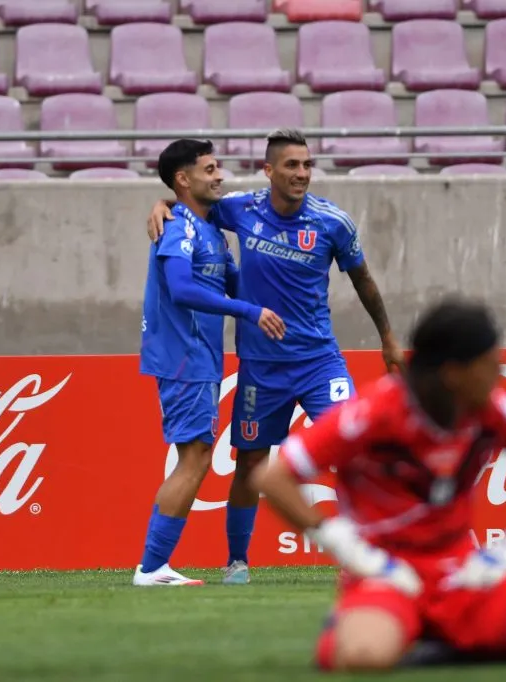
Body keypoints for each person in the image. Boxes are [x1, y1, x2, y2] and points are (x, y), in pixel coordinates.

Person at [252, 298, 506, 672]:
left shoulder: (491, 408)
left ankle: (438, 638)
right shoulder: (374, 412)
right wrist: (351, 551)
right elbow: (272, 478)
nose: (500, 371)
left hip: (464, 576)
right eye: (490, 363)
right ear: (453, 373)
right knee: (364, 657)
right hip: (385, 575)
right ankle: (373, 629)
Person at [146, 129, 404, 585]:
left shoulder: (333, 222)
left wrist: (387, 337)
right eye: (291, 165)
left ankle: (363, 553)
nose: (302, 173)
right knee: (249, 463)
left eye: (306, 165)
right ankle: (237, 562)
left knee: (351, 449)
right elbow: (191, 205)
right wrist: (161, 205)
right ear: (269, 171)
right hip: (260, 368)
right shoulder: (240, 209)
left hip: (319, 361)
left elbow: (363, 279)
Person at [135, 139, 286, 586]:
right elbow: (181, 289)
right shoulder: (179, 227)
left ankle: (153, 566)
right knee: (196, 457)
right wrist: (248, 312)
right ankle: (151, 567)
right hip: (183, 358)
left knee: (196, 455)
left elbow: (239, 287)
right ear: (184, 179)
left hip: (200, 358)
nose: (220, 175)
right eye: (209, 168)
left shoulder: (209, 231)